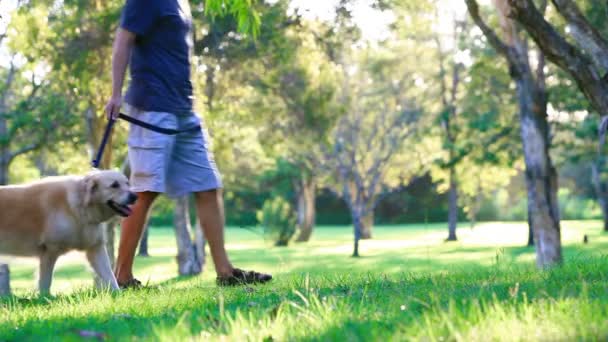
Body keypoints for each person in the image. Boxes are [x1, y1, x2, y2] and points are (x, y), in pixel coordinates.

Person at [104, 0, 271, 288]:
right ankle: (122, 276)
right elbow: (123, 39)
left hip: (183, 109)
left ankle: (225, 272)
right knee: (145, 190)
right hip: (152, 106)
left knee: (208, 186)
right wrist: (115, 93)